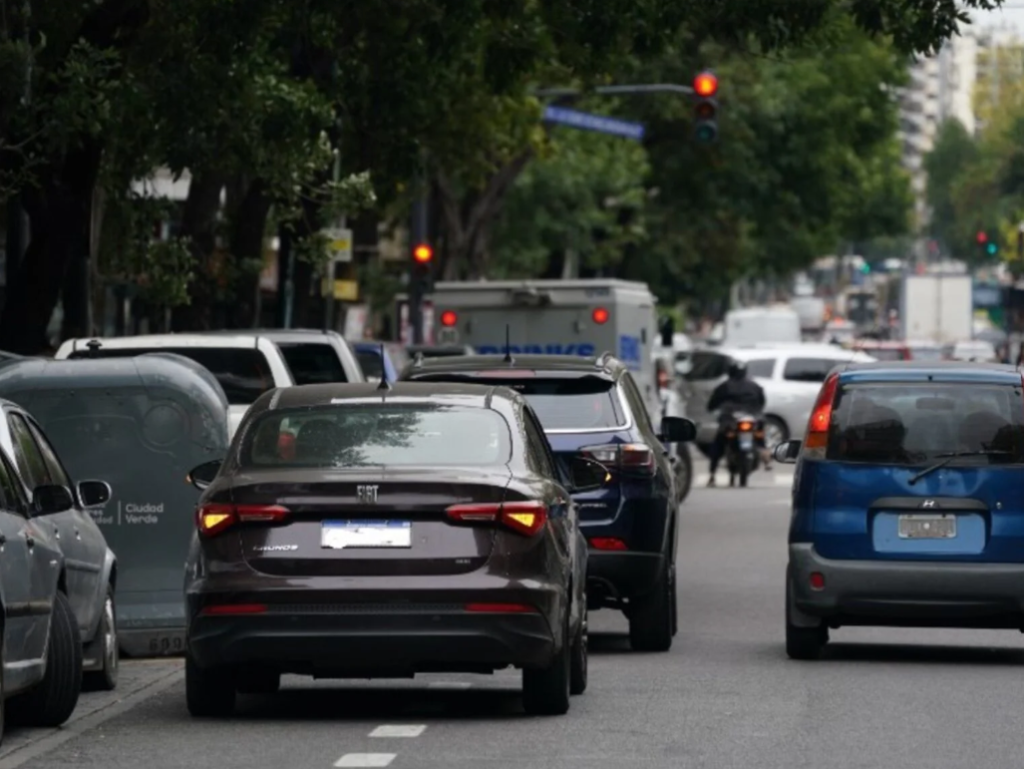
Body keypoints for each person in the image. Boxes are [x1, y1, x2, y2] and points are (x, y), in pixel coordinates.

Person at [705, 360, 767, 486]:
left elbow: (712, 404)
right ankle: (767, 457)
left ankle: (712, 474)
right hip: (752, 418)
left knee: (718, 444)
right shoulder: (755, 386)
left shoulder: (724, 387)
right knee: (760, 436)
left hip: (731, 420)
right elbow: (762, 403)